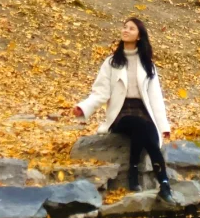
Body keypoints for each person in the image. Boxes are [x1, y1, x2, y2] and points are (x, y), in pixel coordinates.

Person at [73, 16, 174, 201]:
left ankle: (164, 184)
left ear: (138, 36)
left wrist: (163, 126)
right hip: (120, 113)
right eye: (125, 27)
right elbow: (101, 93)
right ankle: (136, 172)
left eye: (131, 28)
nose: (126, 30)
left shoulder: (147, 64)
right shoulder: (112, 62)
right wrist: (84, 107)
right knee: (139, 126)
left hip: (144, 112)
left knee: (150, 135)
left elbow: (155, 97)